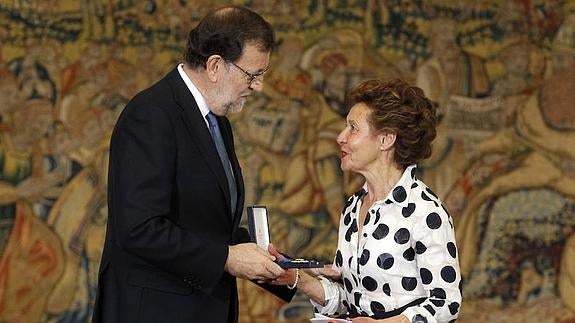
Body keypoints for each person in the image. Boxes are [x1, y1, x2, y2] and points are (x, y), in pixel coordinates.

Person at [92, 6, 295, 323]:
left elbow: (206, 225)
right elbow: (139, 228)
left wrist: (275, 263)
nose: (259, 87)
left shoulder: (217, 119)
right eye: (253, 75)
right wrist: (228, 258)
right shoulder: (151, 115)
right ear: (215, 66)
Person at [271, 79, 462, 323]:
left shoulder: (425, 211)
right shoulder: (353, 208)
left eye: (353, 128)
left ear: (386, 139)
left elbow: (446, 302)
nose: (340, 137)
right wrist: (297, 278)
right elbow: (348, 301)